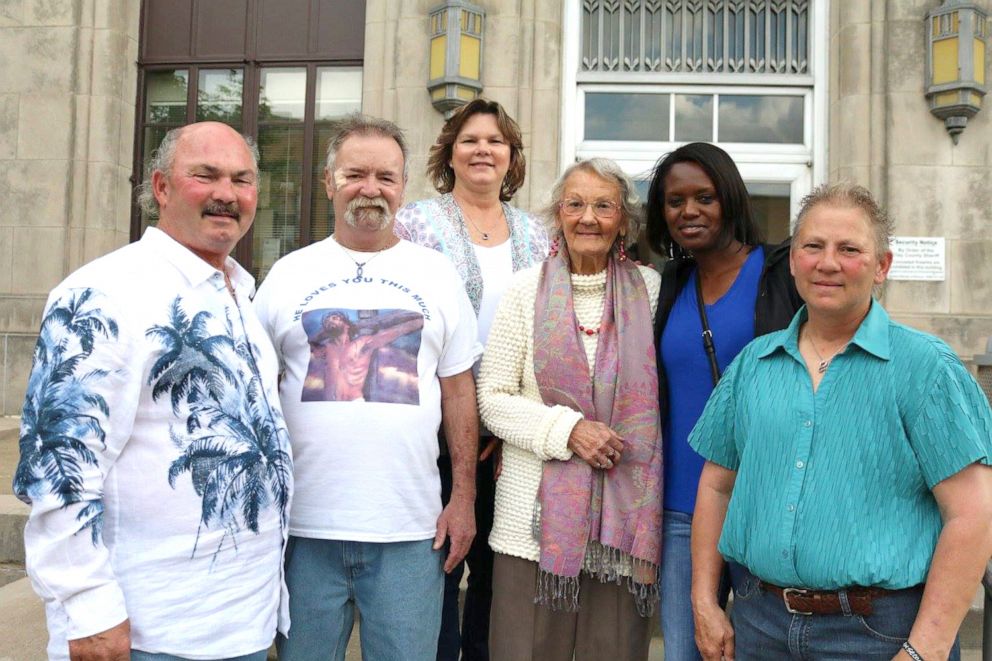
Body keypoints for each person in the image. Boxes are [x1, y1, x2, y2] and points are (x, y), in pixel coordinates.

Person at [13, 122, 293, 660]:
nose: (226, 194)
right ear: (161, 188)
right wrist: (88, 609)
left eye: (242, 179)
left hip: (240, 625)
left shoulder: (240, 293)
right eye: (205, 175)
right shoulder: (104, 292)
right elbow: (58, 468)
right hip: (145, 632)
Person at [690, 183, 992, 661]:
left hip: (881, 635)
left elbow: (973, 514)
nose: (827, 263)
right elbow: (716, 487)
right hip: (759, 625)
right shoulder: (752, 365)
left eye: (849, 249)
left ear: (881, 266)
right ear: (792, 261)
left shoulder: (926, 368)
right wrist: (705, 602)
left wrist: (926, 650)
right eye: (813, 246)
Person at [254, 114, 482, 661]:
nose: (371, 188)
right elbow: (258, 391)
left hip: (409, 528)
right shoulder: (287, 275)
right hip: (302, 528)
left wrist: (465, 497)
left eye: (386, 176)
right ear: (329, 181)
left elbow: (458, 393)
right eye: (356, 174)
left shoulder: (437, 275)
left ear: (404, 187)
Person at [477, 158, 663, 661]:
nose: (588, 217)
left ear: (623, 221)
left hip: (622, 532)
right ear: (557, 214)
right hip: (532, 525)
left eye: (604, 206)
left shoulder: (651, 291)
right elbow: (492, 398)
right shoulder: (523, 290)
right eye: (575, 204)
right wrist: (569, 429)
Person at [394, 98, 548, 661]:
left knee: (496, 574)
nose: (483, 149)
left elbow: (546, 338)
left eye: (495, 141)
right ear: (450, 154)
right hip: (432, 429)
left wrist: (518, 425)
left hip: (510, 434)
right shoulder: (413, 224)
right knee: (435, 566)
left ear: (512, 157)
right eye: (470, 140)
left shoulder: (539, 236)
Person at [644, 142, 803, 660]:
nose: (688, 211)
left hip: (764, 503)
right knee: (686, 652)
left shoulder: (783, 274)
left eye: (704, 197)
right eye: (674, 201)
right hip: (680, 510)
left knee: (764, 651)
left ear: (729, 199)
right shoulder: (671, 283)